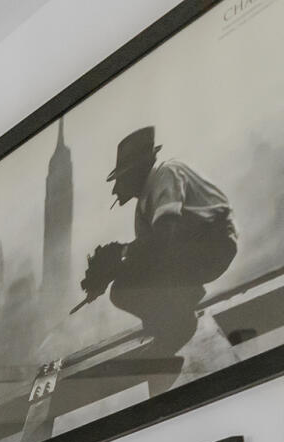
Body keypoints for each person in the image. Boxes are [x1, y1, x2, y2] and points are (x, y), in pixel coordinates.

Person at [80, 127, 238, 382]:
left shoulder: (165, 173)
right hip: (193, 247)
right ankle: (173, 316)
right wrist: (118, 267)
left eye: (122, 177)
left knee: (130, 282)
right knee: (125, 287)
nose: (117, 188)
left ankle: (179, 321)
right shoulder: (145, 203)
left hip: (214, 243)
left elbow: (165, 237)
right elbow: (148, 254)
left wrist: (120, 255)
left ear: (138, 169)